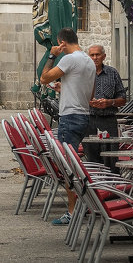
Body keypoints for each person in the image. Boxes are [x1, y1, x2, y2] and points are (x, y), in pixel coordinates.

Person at [40, 26, 95, 226]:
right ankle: (82, 205)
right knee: (74, 164)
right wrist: (65, 87)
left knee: (67, 167)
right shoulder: (88, 60)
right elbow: (89, 94)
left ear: (62, 42)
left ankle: (73, 212)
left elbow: (44, 77)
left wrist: (51, 55)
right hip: (83, 115)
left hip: (70, 117)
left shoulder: (69, 59)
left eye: (58, 44)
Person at [83, 45, 126, 165]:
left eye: (97, 54)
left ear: (104, 56)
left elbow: (123, 99)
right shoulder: (83, 74)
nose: (95, 57)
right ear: (88, 57)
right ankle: (96, 183)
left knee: (112, 158)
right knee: (92, 158)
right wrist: (89, 102)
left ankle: (112, 182)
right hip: (89, 120)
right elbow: (76, 97)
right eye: (92, 55)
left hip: (109, 120)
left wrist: (109, 102)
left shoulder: (112, 73)